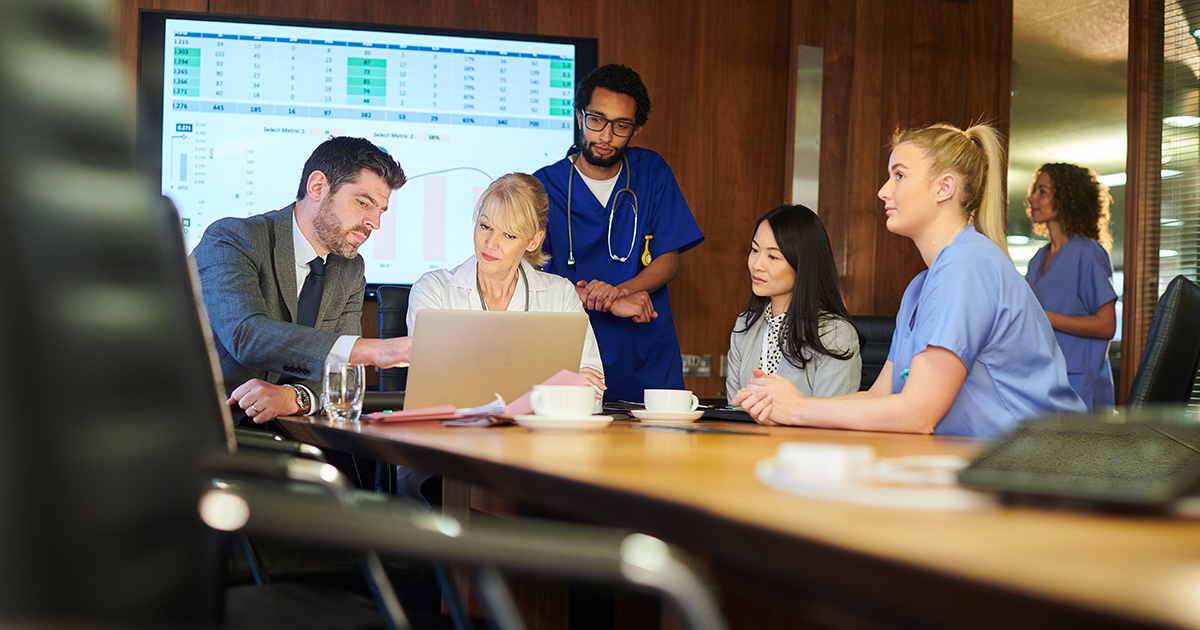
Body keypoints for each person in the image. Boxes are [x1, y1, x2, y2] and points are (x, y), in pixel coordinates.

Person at [733, 123, 1085, 438]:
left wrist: (797, 408)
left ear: (944, 187)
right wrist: (779, 403)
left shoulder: (968, 265)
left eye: (899, 176)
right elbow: (880, 397)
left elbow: (918, 414)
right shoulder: (921, 288)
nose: (884, 191)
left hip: (1041, 469)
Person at [193, 136, 412, 424]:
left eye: (380, 210)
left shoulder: (350, 269)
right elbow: (246, 335)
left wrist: (296, 397)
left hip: (285, 434)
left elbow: (341, 375)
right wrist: (377, 350)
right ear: (318, 186)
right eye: (363, 203)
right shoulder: (233, 238)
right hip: (201, 431)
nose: (375, 223)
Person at [534, 64, 704, 403]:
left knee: (658, 451)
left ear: (636, 129)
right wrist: (601, 299)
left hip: (645, 351)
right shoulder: (543, 185)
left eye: (621, 125)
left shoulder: (652, 172)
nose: (606, 135)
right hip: (573, 349)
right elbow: (529, 274)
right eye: (597, 120)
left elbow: (668, 261)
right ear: (580, 117)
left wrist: (620, 292)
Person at [407, 173, 607, 397]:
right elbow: (431, 387)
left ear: (533, 241)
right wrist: (550, 384)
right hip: (457, 431)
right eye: (485, 226)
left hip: (538, 432)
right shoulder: (433, 290)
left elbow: (592, 388)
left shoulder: (560, 295)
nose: (491, 244)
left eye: (509, 235)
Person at [727, 204, 862, 402]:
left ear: (803, 263)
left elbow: (833, 420)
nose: (757, 265)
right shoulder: (745, 325)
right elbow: (733, 411)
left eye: (773, 256)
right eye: (755, 250)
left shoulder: (834, 334)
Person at [1024, 163, 1118, 411]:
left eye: (1042, 191)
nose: (1032, 197)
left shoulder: (1087, 253)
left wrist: (1046, 318)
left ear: (1067, 199)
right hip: (1046, 384)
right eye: (1035, 189)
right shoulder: (1037, 259)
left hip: (1080, 388)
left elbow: (1107, 325)